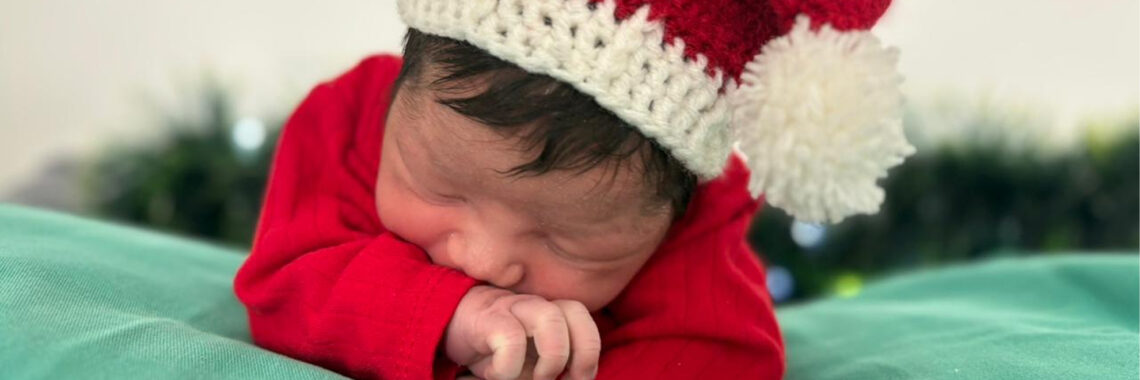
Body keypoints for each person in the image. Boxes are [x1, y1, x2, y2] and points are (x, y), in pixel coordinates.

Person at [234, 1, 913, 379]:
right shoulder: (348, 120)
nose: (483, 260)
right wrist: (449, 315)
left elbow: (719, 357)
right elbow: (286, 281)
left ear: (670, 216)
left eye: (563, 240)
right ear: (400, 93)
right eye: (443, 188)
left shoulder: (694, 228)